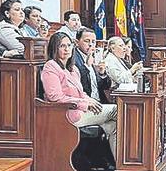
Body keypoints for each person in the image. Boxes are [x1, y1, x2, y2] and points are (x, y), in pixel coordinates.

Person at [40, 32, 118, 160]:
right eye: (62, 46)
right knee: (117, 110)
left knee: (113, 126)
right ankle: (126, 163)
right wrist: (85, 104)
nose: (66, 49)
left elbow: (82, 94)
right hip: (66, 114)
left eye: (69, 45)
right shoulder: (51, 67)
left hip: (80, 110)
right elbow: (55, 97)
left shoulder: (73, 69)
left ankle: (120, 165)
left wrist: (90, 101)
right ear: (54, 48)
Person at [72, 28, 112, 104]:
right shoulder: (72, 58)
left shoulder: (93, 56)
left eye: (93, 42)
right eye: (87, 41)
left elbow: (105, 87)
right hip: (86, 103)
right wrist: (87, 66)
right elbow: (79, 85)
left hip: (99, 101)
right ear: (77, 42)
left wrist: (102, 73)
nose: (91, 44)